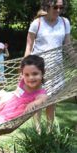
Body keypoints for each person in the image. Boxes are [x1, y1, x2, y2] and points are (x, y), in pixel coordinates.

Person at [24, 0, 71, 130]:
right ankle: (37, 130)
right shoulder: (37, 23)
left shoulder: (64, 22)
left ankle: (49, 131)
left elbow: (68, 47)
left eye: (61, 7)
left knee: (52, 100)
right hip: (38, 69)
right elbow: (28, 48)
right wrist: (23, 70)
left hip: (56, 67)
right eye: (55, 7)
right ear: (47, 6)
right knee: (37, 100)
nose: (58, 10)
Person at [0, 55, 48, 133]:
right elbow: (16, 94)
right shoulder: (22, 81)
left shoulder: (40, 93)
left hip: (10, 117)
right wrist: (2, 100)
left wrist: (34, 103)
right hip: (5, 107)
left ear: (43, 72)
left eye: (35, 74)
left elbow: (43, 98)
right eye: (26, 74)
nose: (30, 78)